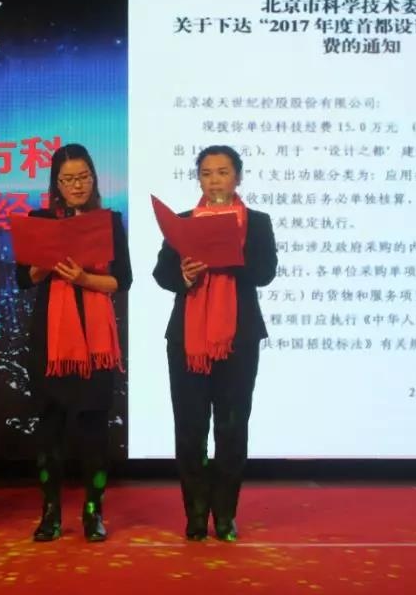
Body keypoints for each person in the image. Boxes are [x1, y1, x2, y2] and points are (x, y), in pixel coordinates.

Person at [152, 145, 277, 542]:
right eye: (206, 173)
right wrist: (185, 274)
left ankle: (225, 514)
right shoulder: (184, 222)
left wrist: (230, 252)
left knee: (231, 429)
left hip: (238, 340)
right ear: (199, 179)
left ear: (237, 177)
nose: (215, 180)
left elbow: (265, 272)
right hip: (187, 341)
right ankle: (195, 513)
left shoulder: (257, 223)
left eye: (223, 172)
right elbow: (162, 273)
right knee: (190, 430)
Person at [16, 144, 132, 542]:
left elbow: (122, 280)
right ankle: (49, 513)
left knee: (93, 428)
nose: (77, 185)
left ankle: (92, 512)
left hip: (95, 340)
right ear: (56, 185)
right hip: (51, 339)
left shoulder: (109, 222)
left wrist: (83, 279)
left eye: (83, 177)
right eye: (67, 179)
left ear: (94, 179)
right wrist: (46, 262)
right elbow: (23, 279)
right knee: (49, 429)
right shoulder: (40, 220)